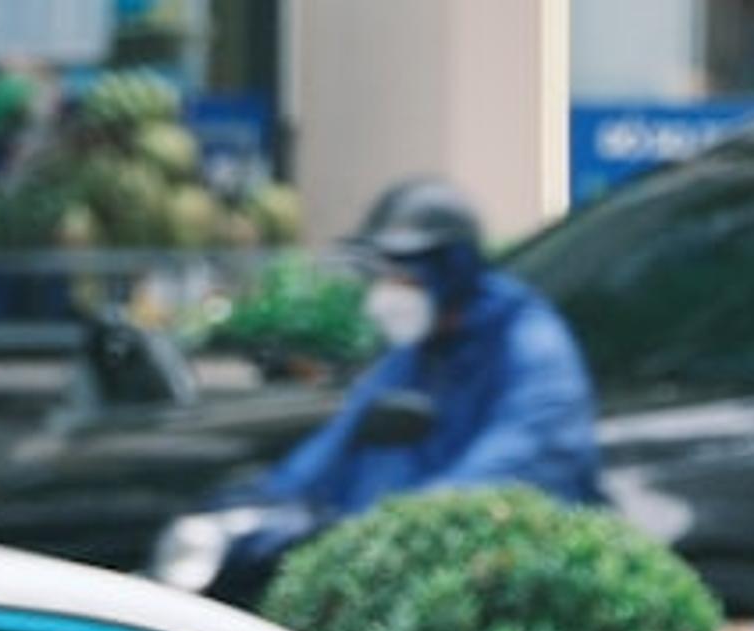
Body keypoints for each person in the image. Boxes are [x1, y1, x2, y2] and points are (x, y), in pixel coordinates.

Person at [210, 176, 603, 579]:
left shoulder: (531, 345)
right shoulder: (415, 354)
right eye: (381, 278)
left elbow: (514, 459)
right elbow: (342, 438)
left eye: (402, 277)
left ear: (451, 272)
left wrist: (393, 526)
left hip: (508, 573)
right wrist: (260, 502)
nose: (386, 294)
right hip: (412, 565)